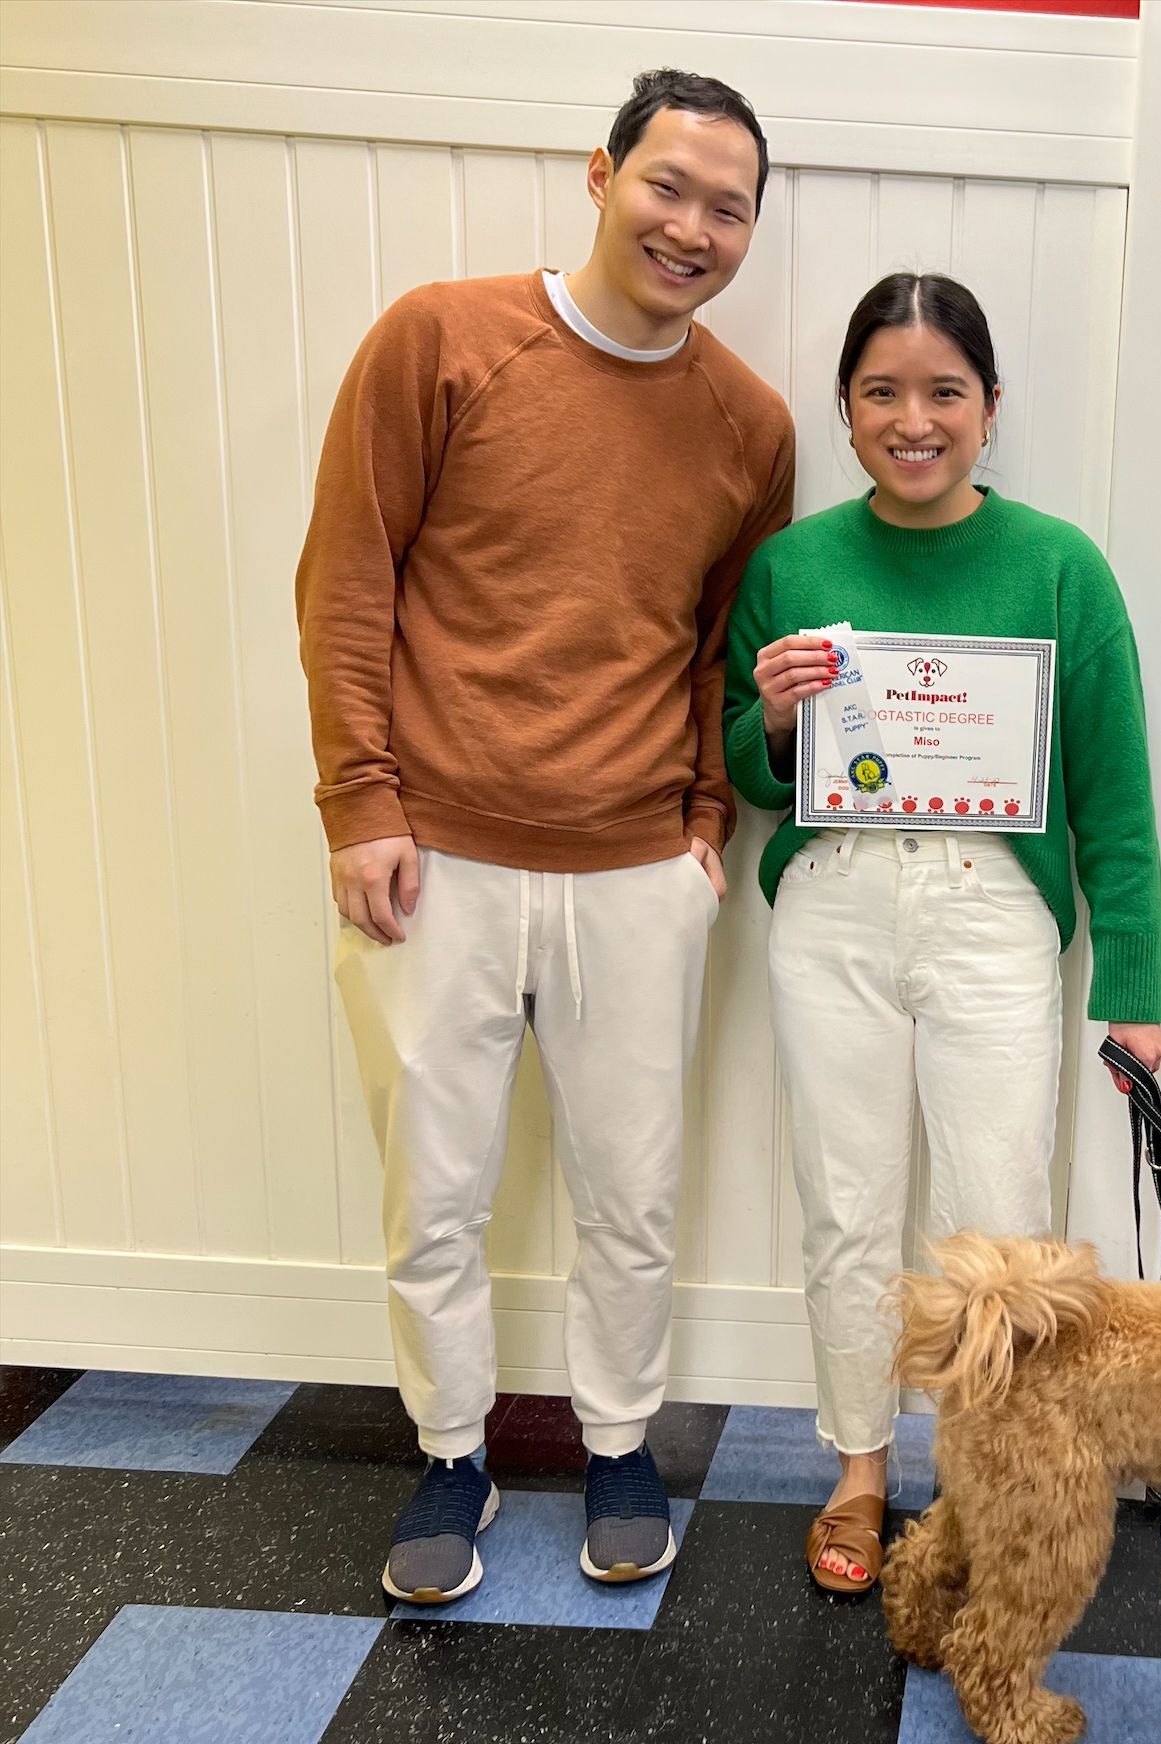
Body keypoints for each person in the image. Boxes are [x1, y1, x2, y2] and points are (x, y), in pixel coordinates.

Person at [297, 69, 794, 1604]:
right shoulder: (440, 340)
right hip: (434, 859)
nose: (692, 227)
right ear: (600, 175)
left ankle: (622, 1441)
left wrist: (708, 823)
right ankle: (453, 1453)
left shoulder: (749, 423)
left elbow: (729, 644)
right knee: (430, 1186)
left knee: (630, 1190)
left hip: (641, 870)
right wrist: (360, 802)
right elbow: (346, 576)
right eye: (668, 186)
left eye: (728, 207)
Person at [722, 272, 1161, 1597]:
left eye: (943, 394)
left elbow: (1115, 793)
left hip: (991, 914)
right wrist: (780, 716)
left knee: (996, 1216)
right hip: (836, 906)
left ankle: (986, 1481)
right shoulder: (793, 564)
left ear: (987, 408)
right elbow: (747, 772)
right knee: (845, 1202)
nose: (912, 420)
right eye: (881, 393)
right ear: (847, 409)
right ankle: (858, 1468)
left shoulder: (1057, 565)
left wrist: (1132, 983)